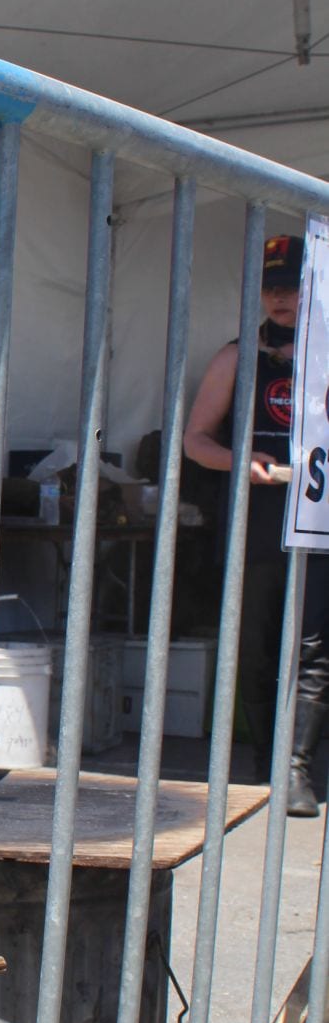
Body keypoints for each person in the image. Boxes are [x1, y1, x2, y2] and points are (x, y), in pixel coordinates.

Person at [184, 234, 329, 816]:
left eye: (290, 284)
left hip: (317, 520)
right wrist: (241, 463)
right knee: (258, 645)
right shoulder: (237, 355)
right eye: (270, 285)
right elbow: (195, 441)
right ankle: (263, 763)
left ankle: (296, 769)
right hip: (256, 521)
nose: (279, 297)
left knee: (315, 648)